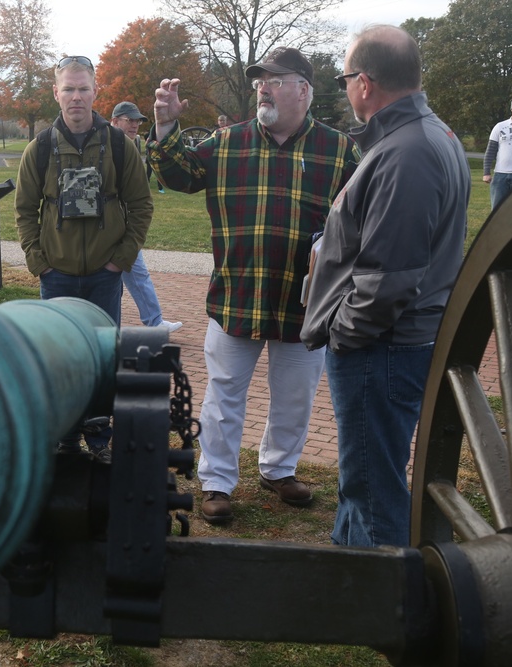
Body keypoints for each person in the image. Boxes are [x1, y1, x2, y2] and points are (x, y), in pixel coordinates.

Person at [149, 47, 358, 525]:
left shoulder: (339, 150)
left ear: (303, 90)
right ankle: (217, 481)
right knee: (223, 396)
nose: (262, 86)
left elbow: (364, 215)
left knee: (295, 396)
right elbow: (176, 174)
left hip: (304, 302)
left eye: (275, 79)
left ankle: (279, 469)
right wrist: (164, 126)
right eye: (259, 80)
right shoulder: (227, 143)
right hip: (237, 295)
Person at [301, 26, 470, 547]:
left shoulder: (407, 152)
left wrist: (344, 334)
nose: (345, 88)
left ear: (365, 83)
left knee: (374, 484)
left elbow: (387, 280)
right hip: (388, 344)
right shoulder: (423, 136)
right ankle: (350, 564)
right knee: (365, 476)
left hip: (381, 348)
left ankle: (384, 602)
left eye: (345, 77)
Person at [16, 55, 153, 463]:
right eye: (68, 89)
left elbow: (141, 206)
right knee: (57, 359)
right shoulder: (38, 149)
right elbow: (24, 210)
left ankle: (98, 438)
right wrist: (38, 261)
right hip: (55, 276)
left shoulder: (118, 144)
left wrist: (120, 261)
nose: (76, 97)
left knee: (102, 358)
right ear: (56, 93)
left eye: (84, 88)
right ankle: (64, 436)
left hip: (103, 276)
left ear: (96, 91)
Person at [110, 101, 183, 334]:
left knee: (132, 276)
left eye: (137, 121)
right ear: (114, 121)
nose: (135, 125)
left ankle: (153, 322)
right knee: (119, 280)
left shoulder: (132, 145)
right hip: (109, 228)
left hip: (125, 227)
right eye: (129, 120)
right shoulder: (106, 147)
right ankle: (147, 323)